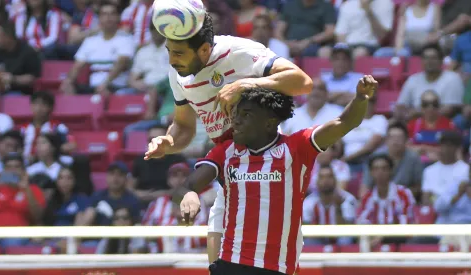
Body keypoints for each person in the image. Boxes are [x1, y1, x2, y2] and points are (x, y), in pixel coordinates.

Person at [144, 9, 313, 263]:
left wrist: (245, 84)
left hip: (268, 166)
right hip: (229, 169)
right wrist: (168, 142)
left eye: (178, 53)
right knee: (218, 264)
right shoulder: (178, 74)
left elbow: (302, 81)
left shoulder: (238, 51)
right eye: (169, 51)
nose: (171, 60)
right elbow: (183, 126)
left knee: (275, 263)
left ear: (202, 50)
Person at [174, 76, 377, 275]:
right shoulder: (226, 151)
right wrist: (189, 194)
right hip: (231, 263)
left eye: (246, 114)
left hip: (277, 267)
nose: (235, 119)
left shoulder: (297, 147)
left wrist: (360, 99)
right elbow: (188, 185)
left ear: (269, 123)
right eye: (235, 113)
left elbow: (344, 122)